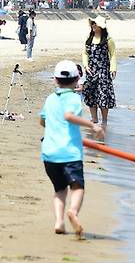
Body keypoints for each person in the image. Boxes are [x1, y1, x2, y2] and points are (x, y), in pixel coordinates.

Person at [40, 60, 104, 238]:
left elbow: (42, 120)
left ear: (55, 80)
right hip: (69, 153)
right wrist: (93, 126)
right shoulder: (74, 99)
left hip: (50, 154)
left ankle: (59, 221)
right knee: (77, 186)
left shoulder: (50, 99)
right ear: (77, 80)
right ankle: (73, 212)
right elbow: (69, 116)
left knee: (59, 190)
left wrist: (51, 123)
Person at [82, 16, 117, 126]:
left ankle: (105, 120)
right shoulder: (89, 39)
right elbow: (85, 53)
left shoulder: (108, 40)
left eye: (95, 24)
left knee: (103, 96)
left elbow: (113, 54)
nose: (93, 26)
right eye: (92, 24)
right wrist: (86, 66)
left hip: (103, 72)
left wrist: (113, 69)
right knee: (91, 95)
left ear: (101, 27)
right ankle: (94, 118)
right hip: (91, 71)